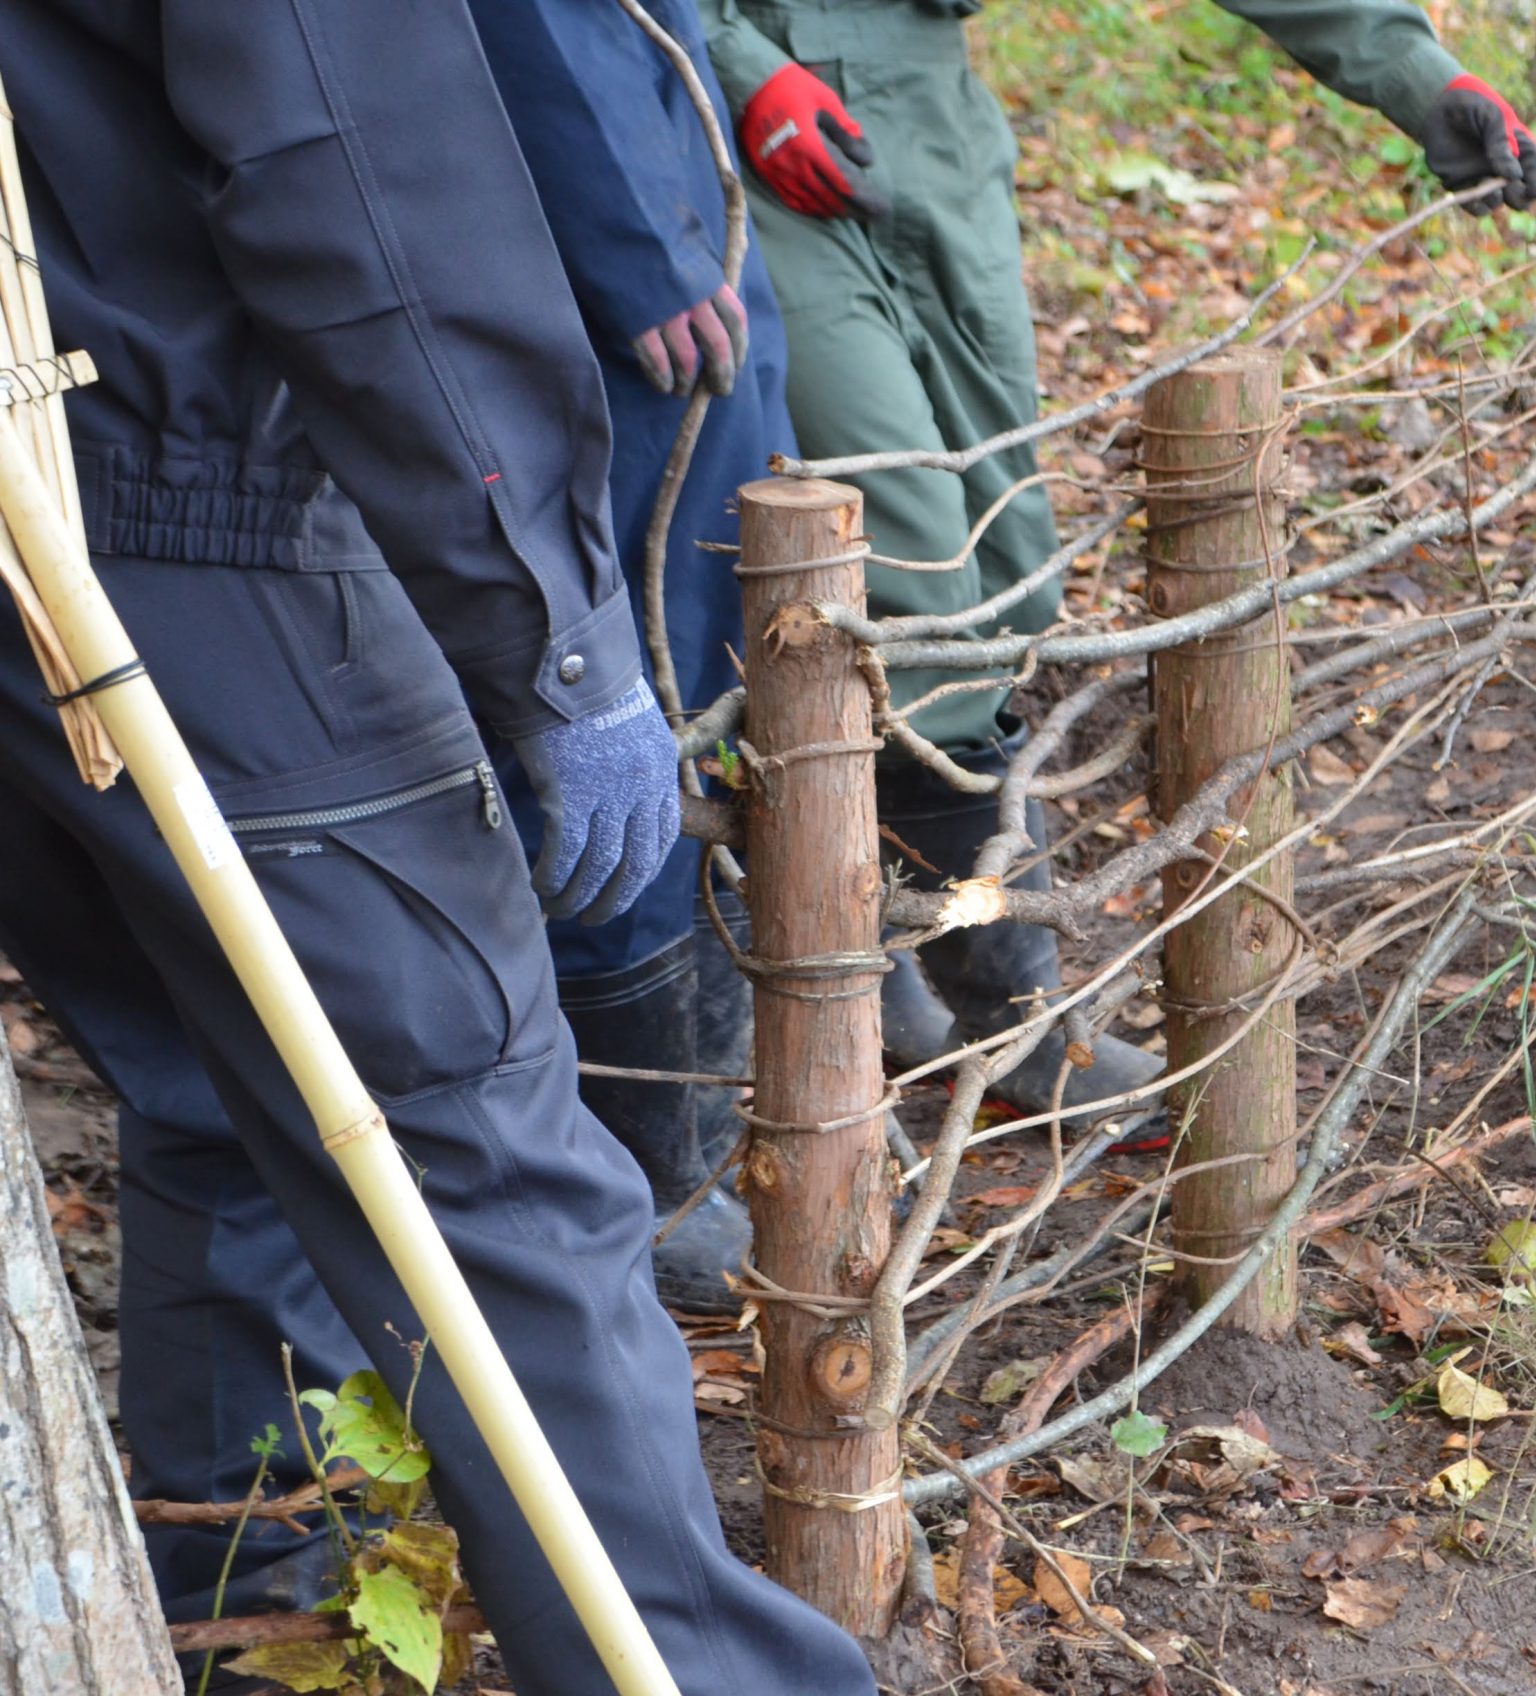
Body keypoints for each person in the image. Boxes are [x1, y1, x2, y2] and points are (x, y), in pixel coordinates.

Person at [0, 3, 874, 1693]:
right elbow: (351, 157)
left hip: (82, 474)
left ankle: (239, 1613)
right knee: (478, 1154)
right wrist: (548, 620)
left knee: (214, 1087)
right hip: (171, 525)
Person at [693, 0, 1536, 1127]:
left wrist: (1417, 75)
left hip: (925, 119)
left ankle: (899, 955)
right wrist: (737, 65)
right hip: (731, 128)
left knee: (1006, 569)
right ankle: (993, 1017)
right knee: (901, 561)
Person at [462, 0, 800, 1310]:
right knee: (634, 665)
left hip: (669, 134)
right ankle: (656, 1156)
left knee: (720, 635)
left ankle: (734, 1095)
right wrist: (632, 228)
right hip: (594, 203)